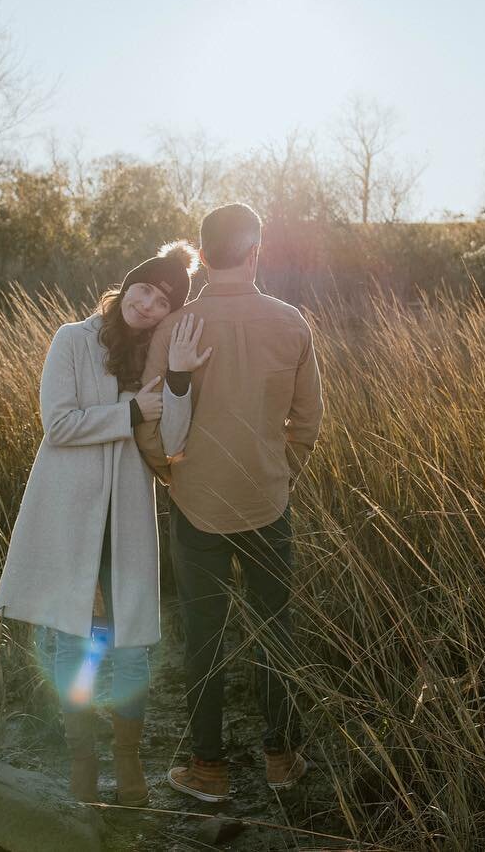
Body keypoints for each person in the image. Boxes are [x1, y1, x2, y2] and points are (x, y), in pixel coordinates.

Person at [0, 240, 210, 806]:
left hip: (128, 520)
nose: (150, 304)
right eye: (146, 289)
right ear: (127, 285)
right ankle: (83, 763)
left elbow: (174, 442)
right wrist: (132, 411)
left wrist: (179, 380)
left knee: (132, 646)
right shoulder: (72, 339)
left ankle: (128, 762)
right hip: (70, 515)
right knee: (72, 640)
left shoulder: (157, 355)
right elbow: (59, 424)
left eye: (164, 301)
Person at [134, 203, 324, 803]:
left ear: (203, 250)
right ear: (256, 251)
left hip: (194, 504)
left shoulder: (174, 326)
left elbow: (150, 422)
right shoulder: (292, 322)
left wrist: (171, 476)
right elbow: (309, 424)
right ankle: (281, 758)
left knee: (203, 634)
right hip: (268, 500)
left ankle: (208, 769)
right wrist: (279, 476)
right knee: (275, 628)